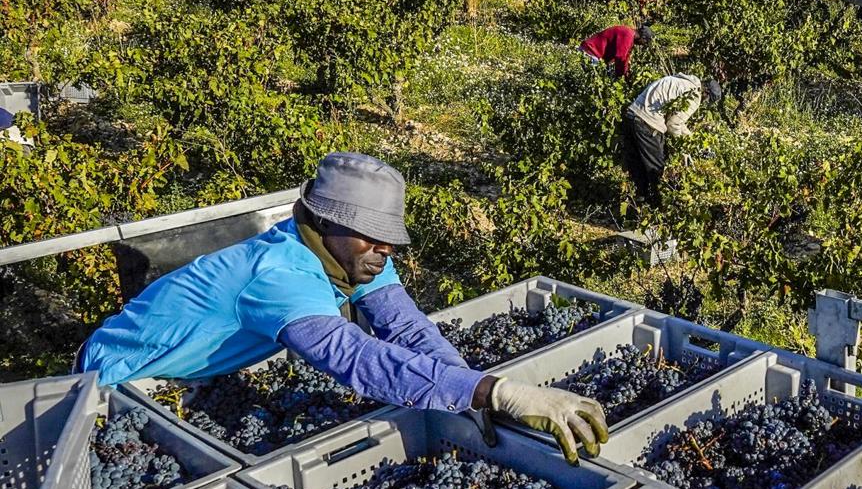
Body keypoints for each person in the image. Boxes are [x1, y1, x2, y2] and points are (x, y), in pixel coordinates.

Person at [79, 152, 608, 464]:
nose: (386, 251)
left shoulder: (355, 255)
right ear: (323, 224)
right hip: (115, 384)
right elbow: (358, 360)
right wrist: (498, 391)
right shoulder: (282, 277)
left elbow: (404, 327)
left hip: (187, 379)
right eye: (372, 239)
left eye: (390, 241)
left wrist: (469, 388)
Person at [621, 74, 721, 209]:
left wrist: (691, 139)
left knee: (639, 168)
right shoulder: (694, 95)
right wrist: (684, 150)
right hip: (647, 123)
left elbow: (677, 122)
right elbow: (673, 125)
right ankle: (658, 211)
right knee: (657, 171)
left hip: (632, 115)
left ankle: (639, 206)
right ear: (706, 93)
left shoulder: (684, 81)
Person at [579, 24, 653, 78]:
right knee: (592, 82)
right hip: (591, 51)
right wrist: (620, 75)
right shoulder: (628, 35)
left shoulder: (630, 37)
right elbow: (620, 57)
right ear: (643, 38)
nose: (642, 45)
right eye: (644, 42)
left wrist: (626, 73)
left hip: (592, 52)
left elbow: (625, 57)